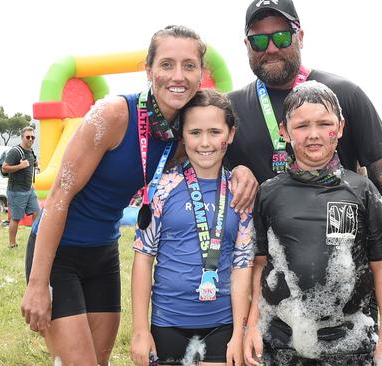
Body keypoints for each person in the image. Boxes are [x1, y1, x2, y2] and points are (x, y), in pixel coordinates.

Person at [21, 26, 257, 366]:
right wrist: (37, 282)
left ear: (201, 73)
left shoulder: (181, 132)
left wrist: (242, 170)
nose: (178, 76)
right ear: (149, 70)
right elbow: (58, 195)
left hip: (103, 254)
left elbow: (214, 158)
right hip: (59, 253)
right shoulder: (114, 115)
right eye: (167, 64)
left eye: (189, 65)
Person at [244, 81, 382, 365]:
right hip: (281, 343)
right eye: (302, 126)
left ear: (340, 128)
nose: (313, 135)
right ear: (284, 130)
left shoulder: (363, 191)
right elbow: (259, 265)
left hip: (351, 343)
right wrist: (252, 326)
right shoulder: (268, 193)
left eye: (324, 124)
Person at [226, 0, 382, 227]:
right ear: (246, 44)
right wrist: (235, 171)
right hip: (264, 253)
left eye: (282, 37)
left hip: (340, 251)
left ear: (301, 37)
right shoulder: (229, 107)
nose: (271, 48)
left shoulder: (345, 93)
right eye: (258, 41)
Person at [130, 90, 254, 365]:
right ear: (183, 135)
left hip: (222, 325)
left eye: (214, 132)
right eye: (195, 132)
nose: (205, 142)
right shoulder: (162, 189)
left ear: (230, 134)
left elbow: (242, 265)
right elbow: (143, 259)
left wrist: (239, 332)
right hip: (168, 323)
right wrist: (140, 330)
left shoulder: (240, 193)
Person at [2, 126, 40, 248]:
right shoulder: (15, 151)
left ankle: (34, 241)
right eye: (28, 137)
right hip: (16, 191)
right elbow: (5, 167)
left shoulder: (31, 151)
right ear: (22, 137)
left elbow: (32, 163)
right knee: (16, 218)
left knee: (36, 213)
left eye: (32, 137)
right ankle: (12, 244)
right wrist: (20, 166)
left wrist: (35, 163)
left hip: (29, 189)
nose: (30, 139)